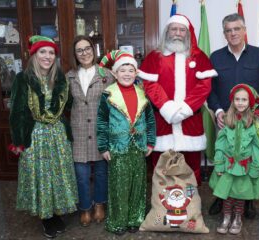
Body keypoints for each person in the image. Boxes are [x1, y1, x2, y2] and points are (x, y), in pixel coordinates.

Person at [8, 35, 78, 238]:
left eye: (51, 52)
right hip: (35, 135)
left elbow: (70, 104)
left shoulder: (60, 78)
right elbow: (17, 113)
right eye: (42, 52)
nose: (47, 56)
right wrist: (19, 141)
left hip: (57, 134)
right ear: (34, 55)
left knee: (57, 175)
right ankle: (46, 218)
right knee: (42, 176)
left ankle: (55, 213)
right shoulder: (24, 78)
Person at [207, 13, 259, 217]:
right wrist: (218, 110)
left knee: (248, 159)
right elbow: (210, 90)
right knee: (225, 160)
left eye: (237, 29)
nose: (233, 33)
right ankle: (221, 197)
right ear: (224, 34)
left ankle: (247, 201)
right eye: (229, 30)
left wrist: (258, 112)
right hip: (225, 121)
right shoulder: (216, 57)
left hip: (249, 121)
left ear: (244, 30)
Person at [139, 14, 217, 185]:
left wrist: (185, 109)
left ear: (187, 33)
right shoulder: (155, 56)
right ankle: (163, 205)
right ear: (167, 31)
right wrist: (168, 108)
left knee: (191, 168)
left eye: (182, 30)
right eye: (173, 29)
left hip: (191, 121)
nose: (177, 33)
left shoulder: (199, 56)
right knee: (162, 168)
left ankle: (190, 207)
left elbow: (204, 86)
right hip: (163, 121)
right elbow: (150, 85)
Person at [96, 50, 156, 235]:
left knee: (137, 185)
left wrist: (150, 143)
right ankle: (118, 221)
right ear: (114, 73)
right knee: (119, 186)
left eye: (131, 70)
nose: (127, 74)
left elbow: (151, 120)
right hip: (117, 147)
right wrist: (103, 146)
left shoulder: (143, 94)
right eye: (123, 70)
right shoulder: (108, 95)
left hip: (138, 146)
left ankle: (135, 218)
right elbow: (102, 122)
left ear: (136, 73)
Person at [66, 35, 114, 227]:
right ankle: (85, 207)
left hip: (101, 131)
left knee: (102, 173)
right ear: (75, 55)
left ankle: (100, 205)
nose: (84, 53)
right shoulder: (68, 77)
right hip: (78, 132)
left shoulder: (107, 75)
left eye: (87, 48)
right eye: (79, 50)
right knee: (81, 174)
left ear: (94, 50)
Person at [209, 84, 259, 235]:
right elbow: (220, 144)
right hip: (228, 166)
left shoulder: (253, 122)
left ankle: (237, 218)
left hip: (244, 167)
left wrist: (255, 166)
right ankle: (226, 217)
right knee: (227, 194)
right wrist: (219, 164)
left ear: (250, 102)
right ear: (233, 101)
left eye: (244, 100)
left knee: (240, 194)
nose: (240, 102)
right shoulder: (228, 119)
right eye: (237, 99)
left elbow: (255, 146)